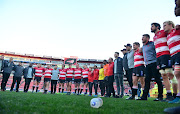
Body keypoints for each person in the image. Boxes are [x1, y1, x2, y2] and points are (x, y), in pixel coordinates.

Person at [151, 22, 177, 101]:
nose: (151, 28)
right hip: (158, 57)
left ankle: (175, 94)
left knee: (170, 73)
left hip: (166, 54)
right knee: (163, 75)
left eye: (152, 26)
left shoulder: (163, 32)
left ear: (157, 27)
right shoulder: (154, 37)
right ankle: (169, 94)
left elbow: (172, 32)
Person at [137, 34, 163, 101]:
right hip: (147, 65)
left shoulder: (152, 44)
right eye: (142, 37)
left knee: (157, 80)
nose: (142, 38)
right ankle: (144, 97)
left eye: (143, 37)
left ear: (148, 38)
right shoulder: (143, 46)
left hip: (154, 63)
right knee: (147, 80)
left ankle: (160, 96)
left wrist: (158, 62)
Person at [163, 21, 180, 103]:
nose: (164, 27)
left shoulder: (176, 30)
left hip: (179, 53)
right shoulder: (168, 36)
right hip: (173, 56)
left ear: (170, 25)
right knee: (177, 75)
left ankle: (178, 96)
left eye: (165, 25)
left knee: (177, 73)